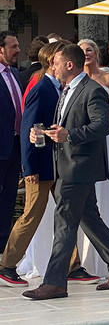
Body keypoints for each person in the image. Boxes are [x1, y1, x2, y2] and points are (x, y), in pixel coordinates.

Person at [23, 44, 109, 300]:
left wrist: (70, 135)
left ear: (69, 65)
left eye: (56, 63)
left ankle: (54, 282)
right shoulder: (68, 90)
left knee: (64, 223)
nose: (53, 67)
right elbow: (65, 126)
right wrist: (45, 133)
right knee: (89, 219)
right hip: (67, 164)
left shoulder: (92, 90)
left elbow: (102, 125)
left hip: (78, 168)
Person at [0, 41, 99, 287]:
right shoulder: (41, 88)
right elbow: (27, 129)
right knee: (32, 214)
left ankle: (72, 265)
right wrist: (29, 167)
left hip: (58, 165)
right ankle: (7, 264)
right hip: (41, 167)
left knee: (67, 213)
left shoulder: (59, 88)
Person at [0, 31, 21, 254]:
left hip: (15, 147)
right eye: (13, 46)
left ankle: (3, 249)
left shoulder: (15, 73)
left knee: (8, 200)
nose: (18, 50)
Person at [78, 39, 109, 104]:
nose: (85, 53)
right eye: (82, 51)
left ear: (96, 54)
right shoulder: (76, 78)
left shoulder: (108, 78)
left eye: (89, 50)